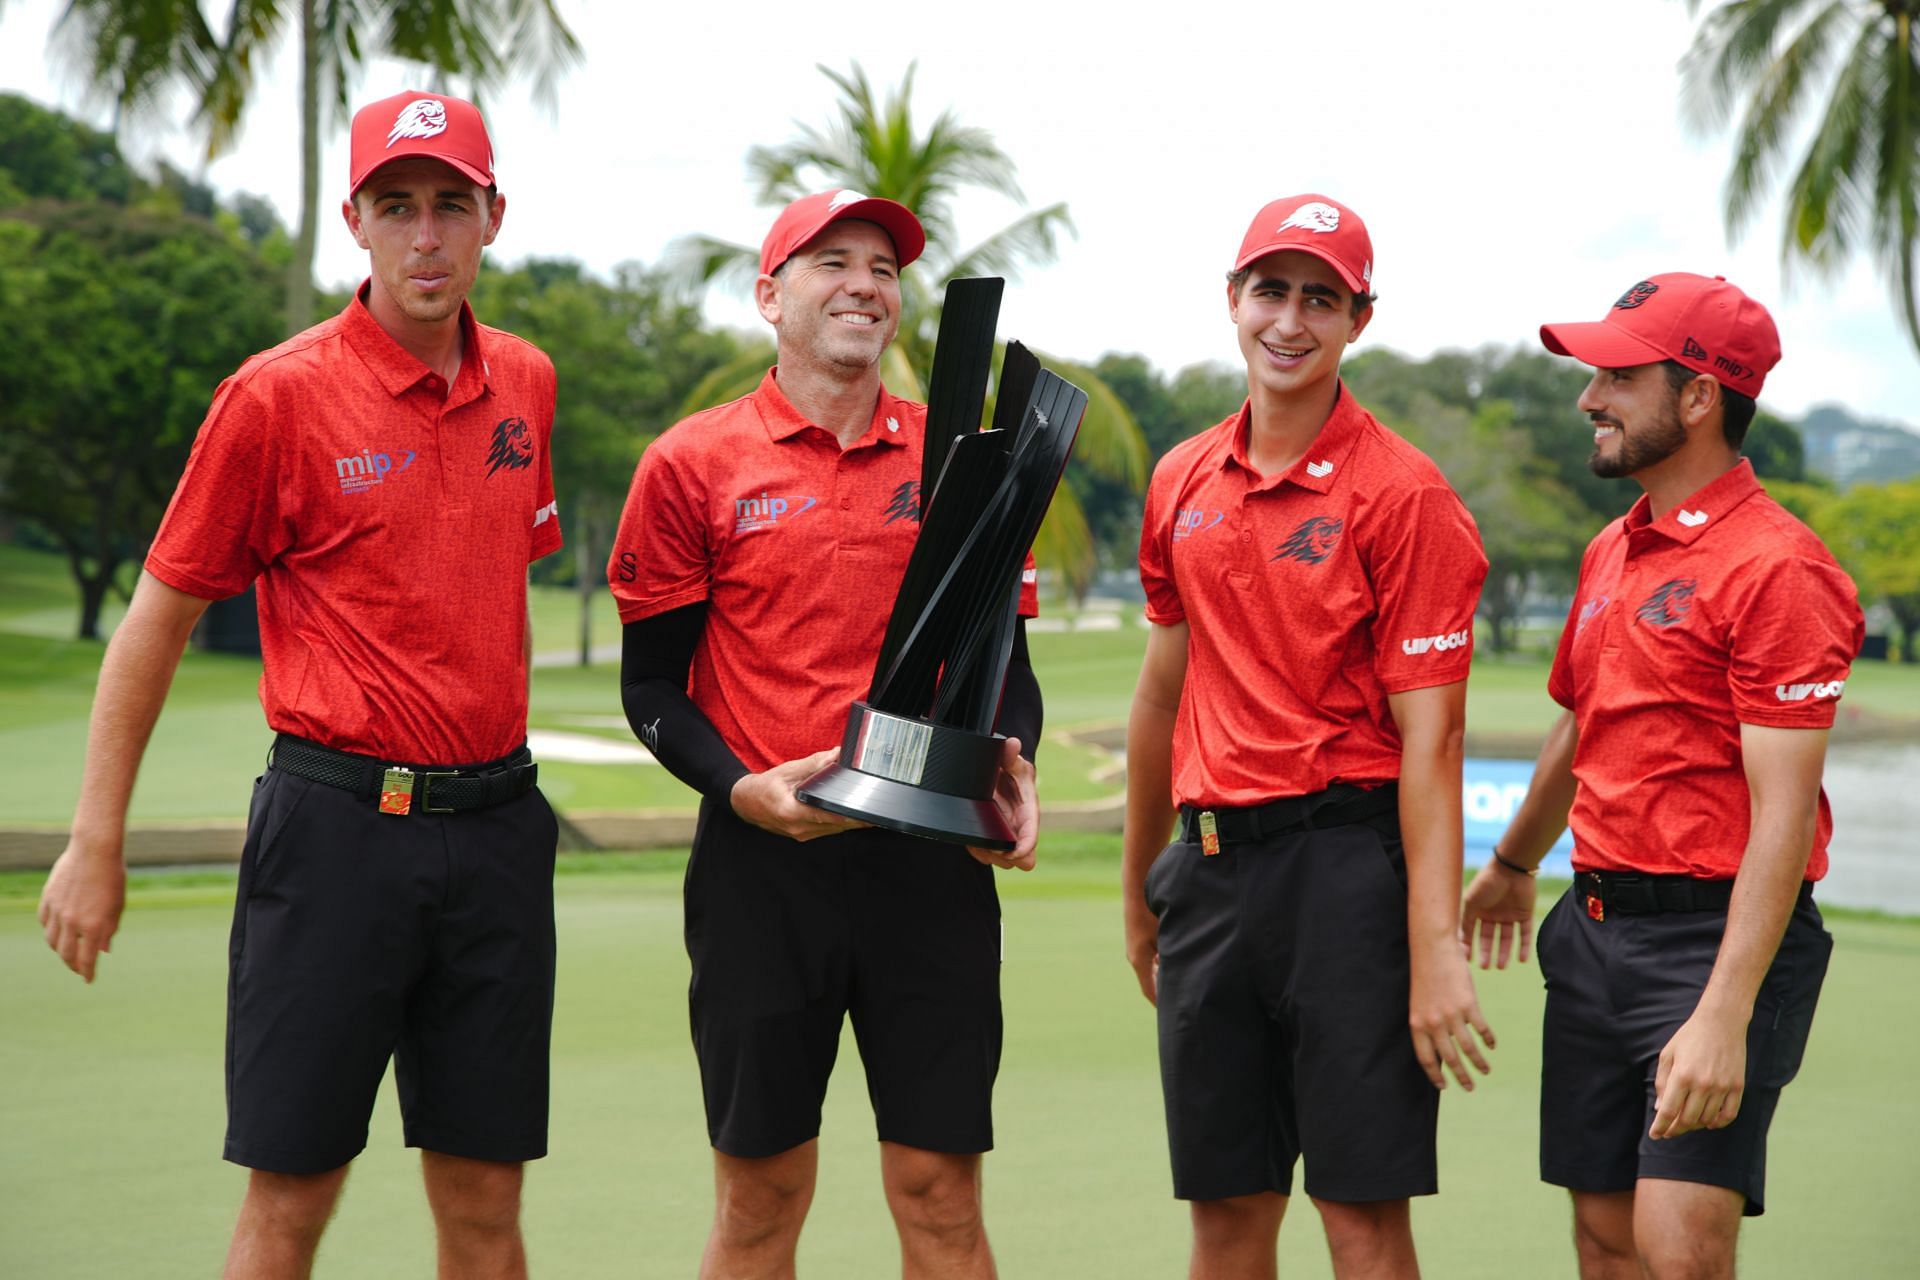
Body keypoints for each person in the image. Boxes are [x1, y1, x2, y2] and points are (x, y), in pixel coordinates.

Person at [35, 89, 561, 1279]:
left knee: (485, 1201)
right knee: (293, 1194)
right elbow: (157, 620)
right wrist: (95, 837)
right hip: (336, 838)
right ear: (356, 223)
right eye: (397, 207)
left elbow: (487, 578)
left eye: (449, 205)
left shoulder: (526, 381)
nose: (425, 234)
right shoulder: (275, 395)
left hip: (495, 838)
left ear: (492, 218)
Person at [608, 189, 1042, 1279]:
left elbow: (1005, 670)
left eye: (884, 268)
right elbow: (653, 687)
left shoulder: (962, 461)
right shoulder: (691, 462)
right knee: (760, 1198)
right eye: (830, 261)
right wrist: (740, 787)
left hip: (929, 863)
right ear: (771, 294)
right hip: (765, 868)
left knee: (940, 1196)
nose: (863, 284)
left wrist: (1013, 767)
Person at [1121, 193, 1495, 1279]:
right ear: (1232, 301)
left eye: (1320, 298)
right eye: (1271, 290)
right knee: (1226, 1217)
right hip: (1211, 873)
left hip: (1346, 879)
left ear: (1357, 321)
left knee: (1360, 1219)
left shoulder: (1405, 494)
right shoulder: (1181, 477)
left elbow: (1434, 742)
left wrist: (1436, 950)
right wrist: (1145, 883)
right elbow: (1159, 696)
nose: (1291, 319)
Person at [1462, 274, 1863, 1278]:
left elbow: (1781, 814)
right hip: (1595, 934)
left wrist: (1724, 1013)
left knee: (1679, 1246)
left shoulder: (1781, 567)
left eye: (1617, 375)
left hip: (1712, 943)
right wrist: (1514, 860)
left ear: (1698, 398)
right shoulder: (1611, 548)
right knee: (1603, 1238)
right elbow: (1579, 724)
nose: (1589, 397)